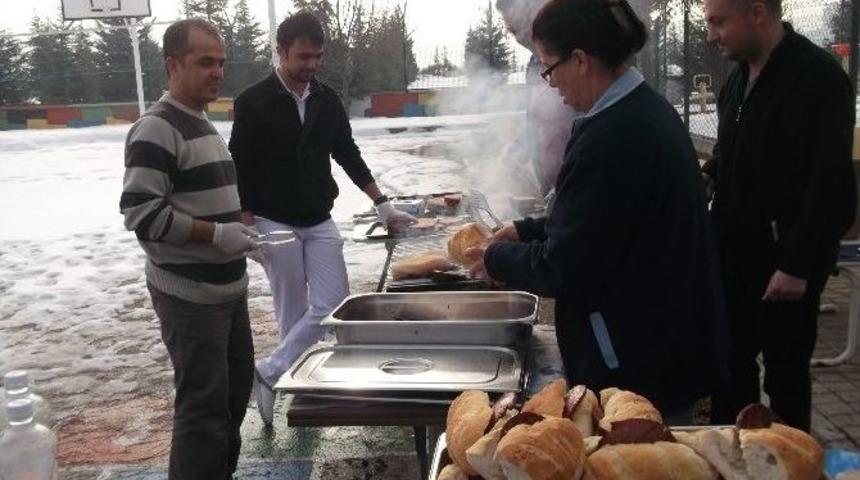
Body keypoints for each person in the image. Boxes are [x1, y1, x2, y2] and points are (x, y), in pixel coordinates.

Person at [469, 0, 729, 421]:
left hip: (640, 365)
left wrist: (494, 258)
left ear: (581, 60)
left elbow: (567, 266)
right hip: (661, 345)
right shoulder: (642, 110)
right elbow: (605, 219)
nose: (548, 83)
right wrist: (525, 229)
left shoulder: (615, 136)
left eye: (549, 67)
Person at [228, 11, 415, 425]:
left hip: (318, 218)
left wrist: (382, 203)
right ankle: (300, 390)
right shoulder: (253, 101)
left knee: (333, 304)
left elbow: (347, 153)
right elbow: (239, 164)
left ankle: (269, 373)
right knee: (291, 310)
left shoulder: (327, 100)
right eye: (303, 57)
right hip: (271, 218)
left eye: (317, 57)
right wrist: (247, 223)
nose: (311, 65)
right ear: (281, 52)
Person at [703, 0, 856, 431]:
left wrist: (797, 265)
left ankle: (792, 460)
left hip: (784, 265)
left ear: (757, 13)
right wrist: (710, 175)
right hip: (733, 251)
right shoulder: (737, 79)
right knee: (730, 367)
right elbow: (733, 149)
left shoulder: (818, 78)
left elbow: (831, 185)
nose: (712, 35)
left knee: (786, 376)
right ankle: (731, 458)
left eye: (718, 22)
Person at [120, 19, 256, 480]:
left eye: (221, 63)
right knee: (203, 416)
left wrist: (241, 233)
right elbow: (142, 214)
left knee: (234, 400)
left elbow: (205, 199)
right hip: (190, 299)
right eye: (205, 63)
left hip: (227, 292)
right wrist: (218, 236)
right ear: (172, 64)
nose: (217, 72)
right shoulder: (156, 128)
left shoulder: (200, 121)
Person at [495, 0, 577, 196]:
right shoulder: (533, 64)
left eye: (516, 27)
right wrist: (519, 146)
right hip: (550, 185)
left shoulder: (569, 57)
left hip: (574, 180)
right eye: (510, 29)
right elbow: (537, 119)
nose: (514, 34)